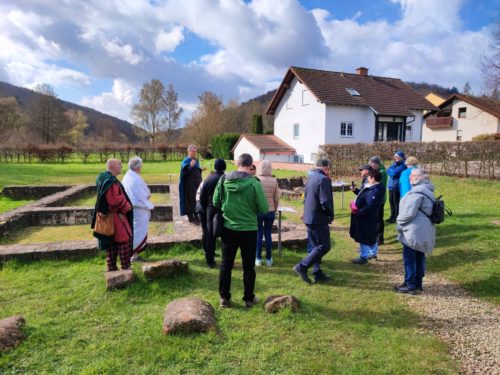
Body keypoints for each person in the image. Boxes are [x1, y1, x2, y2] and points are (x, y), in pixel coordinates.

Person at [213, 153, 268, 308]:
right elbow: (264, 208)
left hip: (228, 228)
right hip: (249, 229)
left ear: (237, 163)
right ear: (251, 165)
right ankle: (248, 299)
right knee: (248, 266)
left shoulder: (223, 180)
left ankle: (224, 297)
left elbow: (215, 201)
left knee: (226, 264)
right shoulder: (254, 183)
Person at [394, 168, 436, 294]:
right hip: (424, 229)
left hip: (413, 231)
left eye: (413, 176)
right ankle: (417, 283)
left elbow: (408, 213)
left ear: (421, 178)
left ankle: (410, 284)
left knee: (409, 258)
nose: (410, 178)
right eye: (411, 176)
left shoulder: (417, 192)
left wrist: (399, 223)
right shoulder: (428, 190)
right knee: (419, 256)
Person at [293, 159, 333, 284]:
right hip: (318, 218)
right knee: (324, 246)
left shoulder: (311, 177)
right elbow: (325, 201)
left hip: (310, 217)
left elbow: (306, 198)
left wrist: (305, 212)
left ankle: (317, 272)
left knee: (316, 247)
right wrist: (330, 214)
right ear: (326, 168)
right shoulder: (323, 179)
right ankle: (302, 266)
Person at [91, 159, 133, 271]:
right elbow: (114, 200)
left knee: (112, 242)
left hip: (110, 216)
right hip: (115, 216)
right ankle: (125, 267)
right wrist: (127, 206)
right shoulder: (110, 181)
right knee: (124, 240)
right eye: (119, 164)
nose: (121, 166)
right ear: (112, 166)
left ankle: (112, 267)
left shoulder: (103, 178)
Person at [122, 156, 154, 262]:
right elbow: (145, 194)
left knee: (134, 230)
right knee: (138, 231)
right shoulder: (135, 179)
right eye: (140, 166)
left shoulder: (128, 176)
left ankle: (133, 254)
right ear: (137, 167)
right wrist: (147, 196)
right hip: (138, 209)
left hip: (132, 208)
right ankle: (132, 254)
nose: (141, 168)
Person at [349, 169, 384, 264]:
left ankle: (364, 257)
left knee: (363, 236)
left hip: (366, 217)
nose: (367, 178)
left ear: (373, 178)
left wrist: (359, 212)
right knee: (370, 235)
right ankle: (372, 253)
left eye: (369, 176)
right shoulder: (371, 187)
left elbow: (370, 206)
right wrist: (355, 190)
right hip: (366, 216)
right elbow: (364, 196)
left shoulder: (375, 191)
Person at [199, 159, 226, 268]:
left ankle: (210, 260)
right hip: (224, 208)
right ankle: (226, 259)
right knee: (226, 234)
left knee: (210, 234)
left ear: (215, 167)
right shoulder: (226, 179)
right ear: (224, 167)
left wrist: (206, 207)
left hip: (210, 208)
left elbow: (202, 196)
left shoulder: (209, 179)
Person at [255, 160, 280, 267]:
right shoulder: (274, 181)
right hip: (270, 211)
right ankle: (269, 259)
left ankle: (258, 259)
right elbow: (277, 197)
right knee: (268, 234)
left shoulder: (256, 180)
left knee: (259, 234)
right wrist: (275, 209)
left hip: (259, 211)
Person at [179, 144, 203, 224]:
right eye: (193, 151)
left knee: (197, 200)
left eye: (195, 151)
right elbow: (184, 174)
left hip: (197, 183)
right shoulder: (186, 161)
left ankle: (196, 216)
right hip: (189, 184)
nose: (194, 153)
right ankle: (191, 217)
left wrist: (200, 169)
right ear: (189, 151)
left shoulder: (196, 160)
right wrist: (190, 166)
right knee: (190, 200)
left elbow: (196, 171)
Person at [369, 156, 387, 244]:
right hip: (376, 198)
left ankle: (380, 238)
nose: (370, 165)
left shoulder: (382, 172)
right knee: (375, 219)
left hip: (380, 199)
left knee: (379, 219)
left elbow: (375, 183)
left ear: (376, 164)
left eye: (371, 163)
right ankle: (375, 236)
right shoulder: (376, 171)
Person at [386, 151, 407, 223]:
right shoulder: (394, 164)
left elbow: (393, 173)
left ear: (401, 158)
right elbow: (388, 170)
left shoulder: (403, 165)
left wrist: (391, 171)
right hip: (391, 185)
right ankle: (392, 216)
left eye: (397, 157)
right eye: (395, 157)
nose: (395, 158)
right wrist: (390, 171)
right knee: (391, 201)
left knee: (396, 202)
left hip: (396, 186)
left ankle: (396, 217)